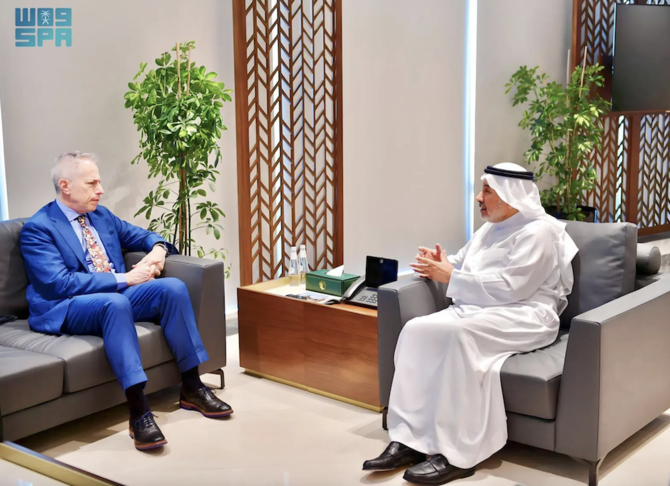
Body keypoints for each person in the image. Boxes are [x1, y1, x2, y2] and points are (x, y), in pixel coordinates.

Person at [362, 162, 578, 484]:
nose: (479, 197)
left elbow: (513, 288)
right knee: (415, 330)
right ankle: (409, 438)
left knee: (457, 336)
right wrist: (441, 263)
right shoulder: (489, 228)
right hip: (480, 309)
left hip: (526, 314)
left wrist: (452, 276)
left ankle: (457, 454)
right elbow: (461, 264)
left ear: (510, 195)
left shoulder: (538, 232)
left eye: (487, 191)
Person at [20, 152, 233, 451]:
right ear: (65, 186)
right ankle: (139, 411)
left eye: (99, 182)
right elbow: (58, 284)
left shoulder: (101, 216)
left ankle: (192, 386)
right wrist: (126, 278)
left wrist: (158, 250)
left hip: (113, 295)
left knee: (172, 288)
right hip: (67, 304)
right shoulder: (39, 228)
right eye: (92, 183)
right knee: (115, 304)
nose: (100, 190)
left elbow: (145, 236)